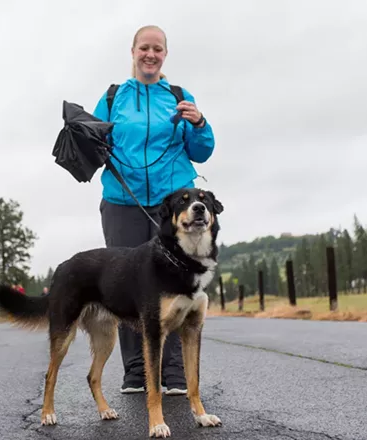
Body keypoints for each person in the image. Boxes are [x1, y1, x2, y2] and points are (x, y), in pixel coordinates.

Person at [92, 24, 215, 395]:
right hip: (122, 202)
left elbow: (202, 151)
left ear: (164, 55)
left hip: (172, 206)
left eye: (157, 49)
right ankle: (137, 372)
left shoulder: (177, 95)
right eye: (144, 48)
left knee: (177, 285)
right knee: (130, 285)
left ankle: (173, 371)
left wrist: (199, 122)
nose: (150, 54)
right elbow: (93, 143)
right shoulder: (114, 98)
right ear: (132, 52)